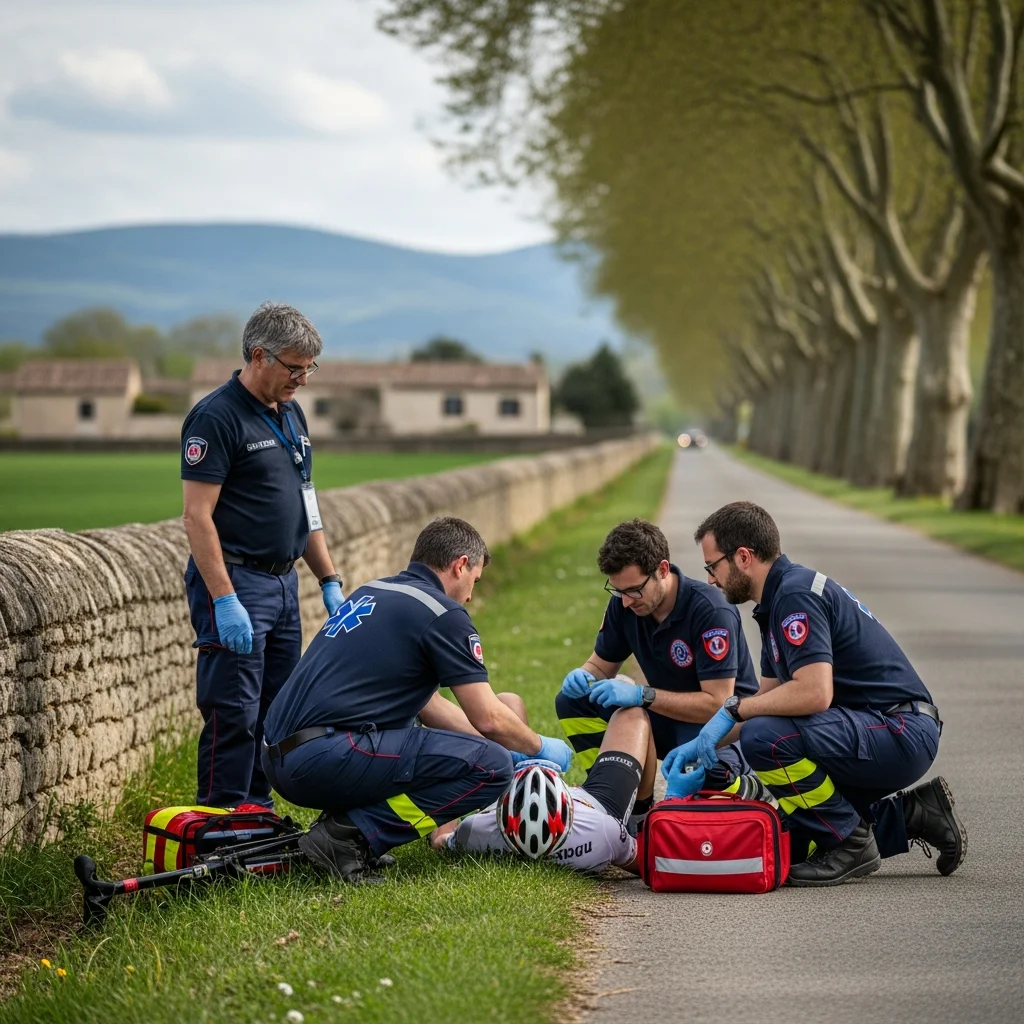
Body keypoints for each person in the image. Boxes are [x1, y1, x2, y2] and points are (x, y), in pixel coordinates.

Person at [261, 517, 575, 884]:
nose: (471, 595)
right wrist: (539, 746)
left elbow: (429, 705)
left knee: (445, 738)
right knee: (491, 766)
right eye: (474, 580)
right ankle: (349, 836)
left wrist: (492, 742)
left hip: (279, 757)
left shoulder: (373, 591)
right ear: (460, 565)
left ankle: (345, 827)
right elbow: (488, 717)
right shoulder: (443, 613)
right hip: (324, 756)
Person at [670, 500, 966, 886]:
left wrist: (734, 710)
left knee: (766, 740)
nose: (710, 579)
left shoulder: (795, 597)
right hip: (875, 730)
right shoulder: (774, 603)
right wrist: (703, 744)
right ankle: (917, 814)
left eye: (713, 566)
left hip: (899, 729)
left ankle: (851, 842)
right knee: (791, 841)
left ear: (743, 557)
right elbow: (769, 700)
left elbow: (814, 694)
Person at [181, 302, 344, 810]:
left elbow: (305, 503)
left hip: (283, 583)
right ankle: (220, 823)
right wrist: (224, 598)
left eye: (308, 368)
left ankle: (256, 815)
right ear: (258, 355)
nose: (303, 379)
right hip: (236, 581)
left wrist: (329, 579)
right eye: (294, 368)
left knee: (274, 711)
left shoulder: (290, 413)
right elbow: (196, 517)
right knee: (234, 711)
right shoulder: (216, 417)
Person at [556, 519, 760, 820]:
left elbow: (717, 704)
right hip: (666, 718)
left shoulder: (710, 611)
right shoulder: (625, 604)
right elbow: (601, 665)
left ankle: (753, 788)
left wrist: (642, 695)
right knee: (572, 702)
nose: (625, 601)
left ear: (662, 570)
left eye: (634, 590)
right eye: (618, 590)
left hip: (721, 728)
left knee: (708, 780)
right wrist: (584, 675)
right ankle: (620, 800)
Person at [431, 694, 691, 874]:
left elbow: (441, 840)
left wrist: (449, 780)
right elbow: (649, 862)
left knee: (508, 701)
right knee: (633, 713)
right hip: (597, 806)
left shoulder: (478, 830)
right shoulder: (603, 830)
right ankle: (639, 814)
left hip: (507, 804)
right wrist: (672, 801)